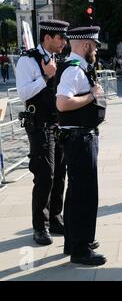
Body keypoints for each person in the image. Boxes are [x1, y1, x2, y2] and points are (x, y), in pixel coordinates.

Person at [56, 26, 107, 266]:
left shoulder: (74, 67)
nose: (96, 50)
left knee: (76, 193)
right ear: (86, 44)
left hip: (78, 138)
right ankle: (80, 249)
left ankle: (74, 241)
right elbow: (62, 104)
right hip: (79, 139)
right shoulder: (74, 71)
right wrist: (92, 96)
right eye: (94, 46)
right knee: (85, 194)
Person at [16, 20, 69, 246]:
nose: (64, 42)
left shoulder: (59, 59)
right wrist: (45, 76)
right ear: (47, 37)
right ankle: (40, 226)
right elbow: (23, 93)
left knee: (59, 174)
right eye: (61, 38)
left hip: (57, 124)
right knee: (44, 175)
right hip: (38, 125)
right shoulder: (27, 60)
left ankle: (56, 218)